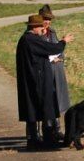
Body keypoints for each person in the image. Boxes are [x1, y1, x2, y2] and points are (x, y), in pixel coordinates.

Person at [16, 14, 72, 149]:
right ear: (34, 27)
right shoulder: (32, 40)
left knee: (32, 111)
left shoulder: (25, 39)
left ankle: (33, 140)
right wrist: (64, 41)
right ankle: (47, 140)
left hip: (30, 81)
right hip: (38, 81)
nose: (43, 29)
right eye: (41, 26)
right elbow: (53, 49)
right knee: (46, 108)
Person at [39, 5, 70, 142]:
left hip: (56, 70)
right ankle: (47, 130)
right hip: (44, 71)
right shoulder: (37, 34)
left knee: (57, 98)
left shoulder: (52, 32)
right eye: (45, 19)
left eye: (49, 19)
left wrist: (60, 56)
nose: (47, 22)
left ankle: (57, 129)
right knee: (46, 100)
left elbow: (57, 48)